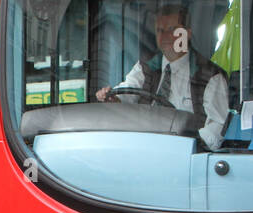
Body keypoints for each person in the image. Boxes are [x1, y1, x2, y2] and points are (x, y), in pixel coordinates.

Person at [95, 5, 229, 150]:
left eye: (172, 30)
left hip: (184, 156)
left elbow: (216, 127)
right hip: (142, 148)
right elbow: (128, 90)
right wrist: (114, 98)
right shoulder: (146, 66)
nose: (164, 36)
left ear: (187, 33)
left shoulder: (211, 76)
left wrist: (187, 147)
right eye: (160, 30)